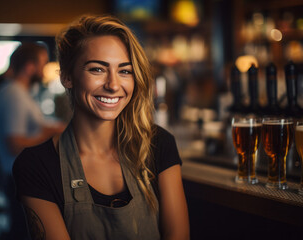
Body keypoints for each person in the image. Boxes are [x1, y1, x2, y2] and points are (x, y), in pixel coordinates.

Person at [13, 15, 190, 240]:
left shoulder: (158, 144)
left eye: (125, 71)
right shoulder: (35, 165)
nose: (113, 85)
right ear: (67, 76)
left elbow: (179, 235)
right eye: (97, 69)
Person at [0, 42, 66, 239]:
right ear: (30, 67)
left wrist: (53, 127)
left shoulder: (14, 92)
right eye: (43, 63)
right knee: (25, 232)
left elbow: (30, 127)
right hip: (19, 177)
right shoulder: (14, 94)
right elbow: (15, 144)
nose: (44, 69)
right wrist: (52, 135)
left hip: (17, 176)